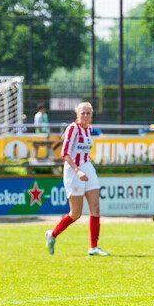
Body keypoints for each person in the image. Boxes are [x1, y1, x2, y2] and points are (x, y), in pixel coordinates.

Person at [45, 102, 109, 257]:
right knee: (76, 214)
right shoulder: (73, 128)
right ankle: (52, 234)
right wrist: (78, 171)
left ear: (92, 115)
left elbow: (84, 150)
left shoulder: (90, 130)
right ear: (77, 114)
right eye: (83, 113)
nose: (85, 116)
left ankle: (93, 247)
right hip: (74, 171)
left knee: (95, 207)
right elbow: (65, 153)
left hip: (87, 167)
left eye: (88, 113)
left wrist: (86, 167)